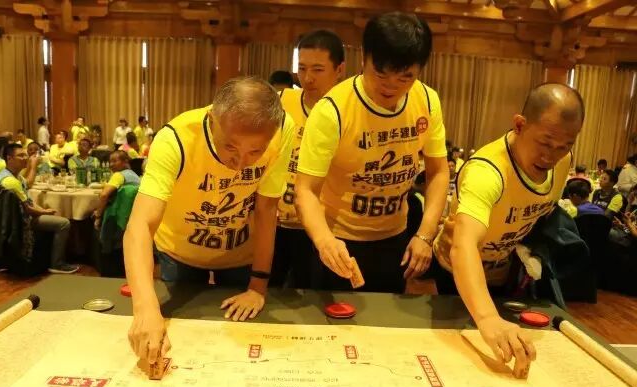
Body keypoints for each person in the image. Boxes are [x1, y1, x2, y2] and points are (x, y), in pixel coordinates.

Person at [123, 77, 294, 367]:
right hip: (180, 250)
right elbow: (140, 226)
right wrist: (145, 308)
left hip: (239, 252)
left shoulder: (282, 128)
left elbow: (267, 208)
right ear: (212, 119)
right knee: (175, 331)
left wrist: (257, 287)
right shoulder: (175, 139)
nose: (240, 163)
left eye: (256, 152)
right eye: (231, 147)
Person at [431, 83, 585, 378]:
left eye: (564, 146)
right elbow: (464, 246)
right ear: (520, 125)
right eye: (545, 142)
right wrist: (487, 317)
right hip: (457, 270)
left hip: (506, 267)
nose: (551, 156)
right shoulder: (487, 172)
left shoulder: (562, 162)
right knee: (463, 355)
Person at [295, 12, 449, 293]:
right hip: (339, 239)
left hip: (395, 237)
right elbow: (305, 189)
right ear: (364, 57)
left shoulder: (427, 100)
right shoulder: (333, 110)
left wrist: (425, 234)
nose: (391, 85)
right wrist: (324, 241)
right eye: (380, 73)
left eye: (406, 77)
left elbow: (438, 171)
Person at [270, 29, 345, 288]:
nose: (308, 78)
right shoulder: (282, 101)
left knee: (311, 297)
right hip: (277, 223)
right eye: (302, 69)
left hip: (320, 228)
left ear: (339, 70)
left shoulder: (346, 110)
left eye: (318, 69)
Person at [0, 144, 79, 274]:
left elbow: (27, 195)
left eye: (25, 155)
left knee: (54, 214)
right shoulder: (9, 181)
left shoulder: (14, 176)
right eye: (20, 155)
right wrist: (44, 212)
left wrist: (43, 210)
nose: (25, 158)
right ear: (9, 158)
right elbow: (28, 209)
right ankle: (57, 264)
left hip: (19, 217)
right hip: (21, 221)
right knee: (64, 223)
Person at [93, 151, 140, 230]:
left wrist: (98, 215)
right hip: (132, 216)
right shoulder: (135, 176)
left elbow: (104, 195)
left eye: (114, 161)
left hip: (116, 218)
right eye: (110, 162)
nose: (111, 164)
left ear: (125, 161)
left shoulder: (119, 175)